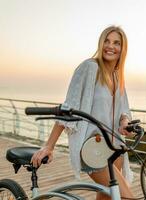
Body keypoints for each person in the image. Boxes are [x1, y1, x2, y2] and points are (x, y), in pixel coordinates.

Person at [31, 26, 134, 200]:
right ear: (101, 44)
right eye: (107, 41)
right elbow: (68, 108)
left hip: (114, 148)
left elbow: (123, 110)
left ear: (122, 49)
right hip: (92, 147)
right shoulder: (89, 68)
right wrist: (49, 146)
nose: (111, 46)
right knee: (127, 197)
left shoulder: (117, 76)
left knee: (107, 197)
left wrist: (124, 122)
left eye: (117, 43)